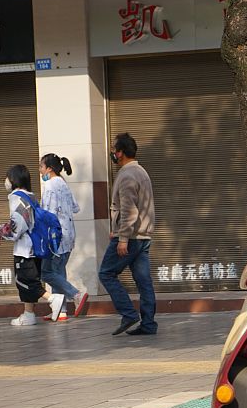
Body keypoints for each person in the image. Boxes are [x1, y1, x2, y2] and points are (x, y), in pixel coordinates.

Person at [98, 132, 157, 337]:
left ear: (121, 153)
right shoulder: (141, 171)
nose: (113, 153)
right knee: (144, 282)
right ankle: (148, 324)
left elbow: (129, 210)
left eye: (114, 150)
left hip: (130, 237)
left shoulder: (127, 175)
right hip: (143, 236)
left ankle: (128, 313)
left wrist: (122, 238)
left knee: (105, 273)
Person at [38, 153, 88, 320]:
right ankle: (61, 310)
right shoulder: (63, 184)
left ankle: (76, 294)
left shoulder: (50, 186)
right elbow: (75, 207)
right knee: (58, 271)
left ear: (49, 169)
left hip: (55, 237)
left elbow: (47, 214)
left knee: (46, 273)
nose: (40, 171)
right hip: (68, 235)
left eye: (41, 167)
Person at [0, 165, 43, 327]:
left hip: (25, 250)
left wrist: (4, 231)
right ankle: (28, 314)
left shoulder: (17, 197)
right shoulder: (31, 196)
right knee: (28, 284)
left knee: (26, 282)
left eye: (8, 177)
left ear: (14, 179)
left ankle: (53, 299)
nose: (6, 181)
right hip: (36, 248)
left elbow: (18, 225)